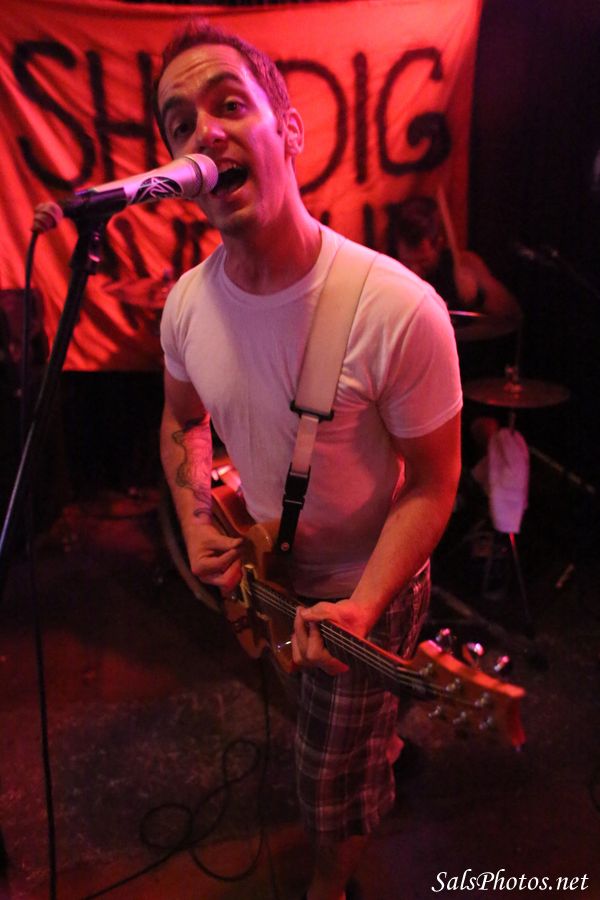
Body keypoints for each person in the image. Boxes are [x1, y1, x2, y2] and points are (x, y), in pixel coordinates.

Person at [156, 19, 462, 900]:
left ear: (287, 129)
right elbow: (181, 423)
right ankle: (375, 742)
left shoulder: (396, 308)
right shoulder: (185, 306)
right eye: (180, 124)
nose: (205, 133)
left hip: (369, 590)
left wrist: (364, 607)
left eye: (229, 104)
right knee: (330, 732)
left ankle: (329, 885)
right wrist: (197, 521)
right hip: (275, 575)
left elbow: (435, 482)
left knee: (326, 787)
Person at [392, 195, 521, 319]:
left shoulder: (463, 263)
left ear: (439, 243)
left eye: (423, 262)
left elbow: (512, 312)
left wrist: (478, 296)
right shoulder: (390, 269)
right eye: (407, 263)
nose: (415, 271)